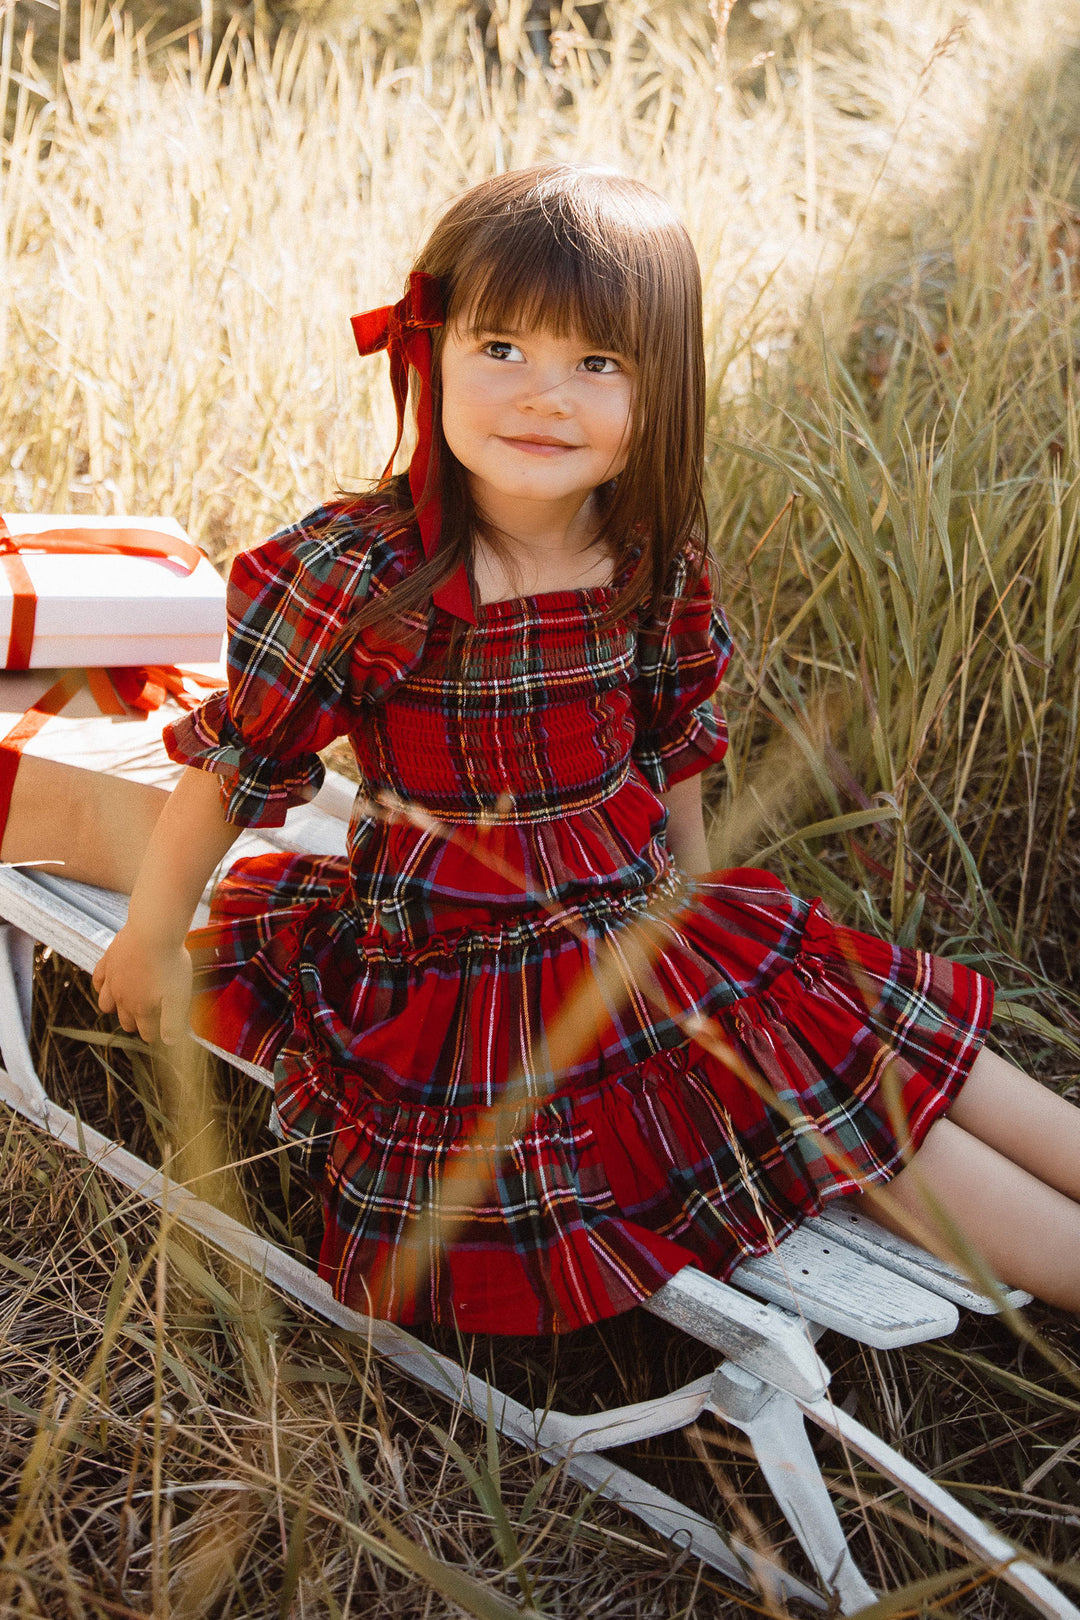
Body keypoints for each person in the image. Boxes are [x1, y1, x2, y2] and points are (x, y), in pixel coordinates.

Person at [92, 165, 1080, 1334]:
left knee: (873, 1038)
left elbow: (676, 737)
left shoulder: (645, 550)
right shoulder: (364, 576)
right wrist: (151, 937)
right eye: (500, 347)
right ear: (429, 351)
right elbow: (237, 766)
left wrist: (701, 900)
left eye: (596, 364)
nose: (542, 397)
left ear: (662, 391)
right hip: (472, 964)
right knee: (851, 1099)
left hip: (632, 906)